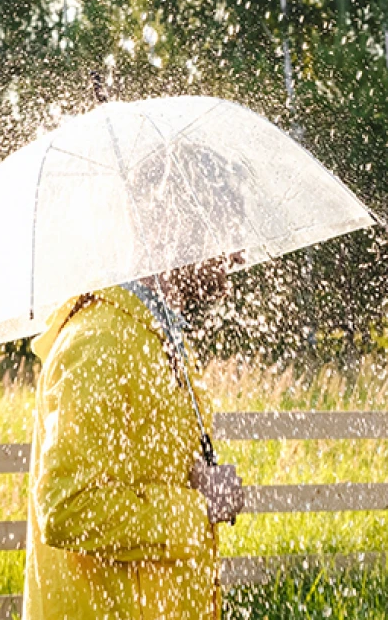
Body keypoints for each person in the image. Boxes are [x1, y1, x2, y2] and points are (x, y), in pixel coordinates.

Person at [23, 253, 247, 619]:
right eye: (221, 229)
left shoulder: (157, 337)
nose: (238, 256)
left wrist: (205, 488)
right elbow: (68, 507)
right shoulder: (98, 344)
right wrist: (198, 508)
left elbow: (152, 469)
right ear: (169, 226)